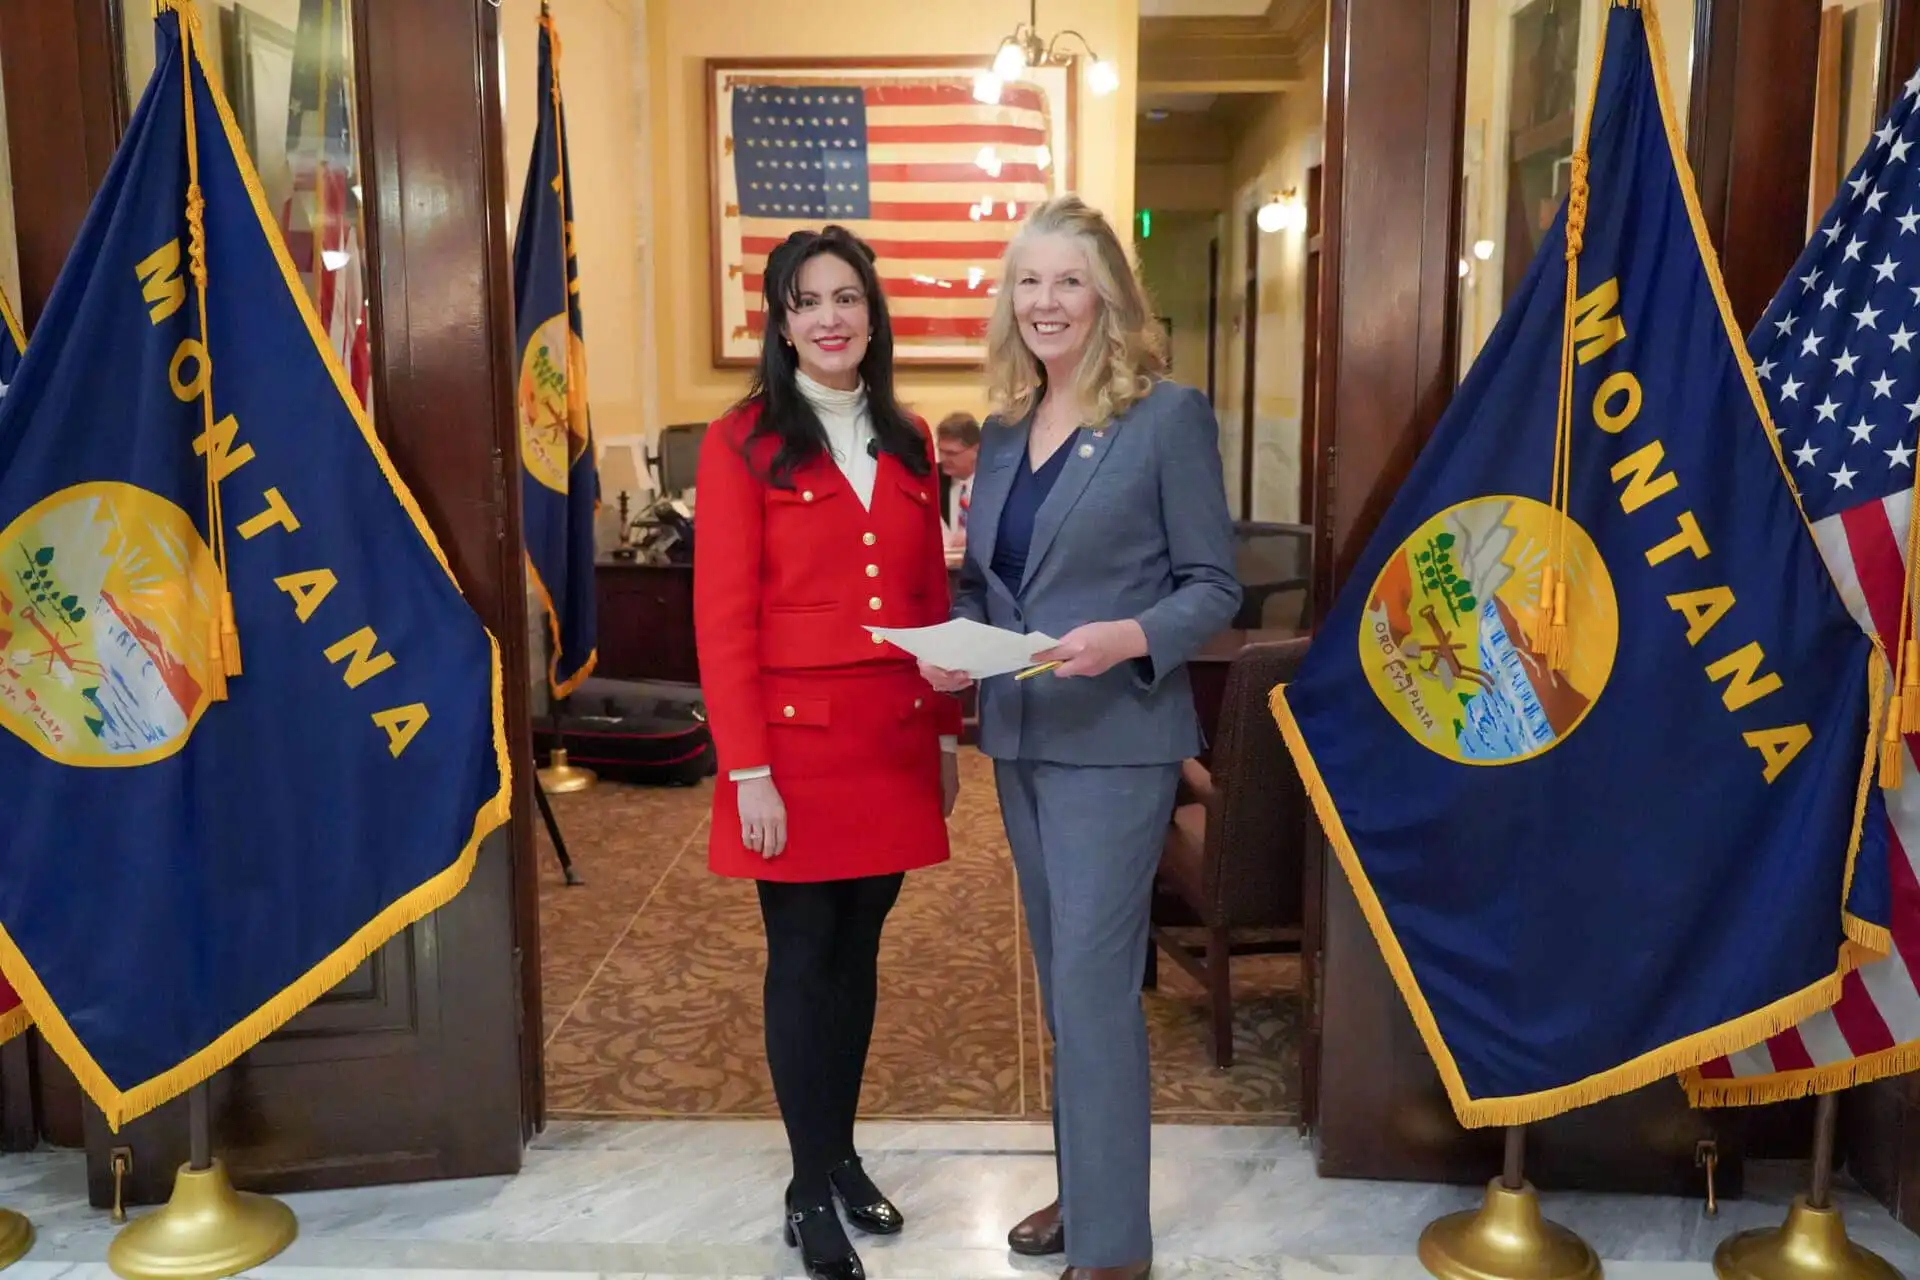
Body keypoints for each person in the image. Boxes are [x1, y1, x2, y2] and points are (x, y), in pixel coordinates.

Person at [921, 195, 1240, 1280]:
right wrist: (959, 646)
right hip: (1020, 732)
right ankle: (1090, 1182)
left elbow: (1213, 586)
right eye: (1029, 281)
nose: (1046, 300)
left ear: (1108, 294)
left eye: (1067, 279)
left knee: (1095, 989)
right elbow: (990, 582)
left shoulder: (1167, 416)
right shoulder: (1004, 432)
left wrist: (1132, 635)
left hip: (1118, 739)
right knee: (1067, 983)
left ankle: (1113, 1249)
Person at [694, 225, 962, 1280]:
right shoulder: (743, 439)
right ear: (782, 319)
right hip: (793, 759)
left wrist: (944, 735)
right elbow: (722, 618)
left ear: (872, 309)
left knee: (860, 958)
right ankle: (808, 1189)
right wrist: (745, 766)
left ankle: (838, 1152)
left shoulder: (910, 437)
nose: (831, 317)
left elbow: (929, 603)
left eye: (846, 296)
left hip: (893, 741)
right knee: (803, 963)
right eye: (807, 301)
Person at [934, 411, 980, 545]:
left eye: (951, 453)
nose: (943, 459)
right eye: (940, 451)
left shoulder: (996, 483)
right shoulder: (932, 479)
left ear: (976, 450)